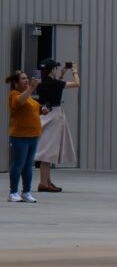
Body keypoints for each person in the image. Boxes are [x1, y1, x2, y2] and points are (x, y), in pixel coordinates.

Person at [34, 59, 76, 193]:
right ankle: (43, 182)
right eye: (55, 68)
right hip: (54, 116)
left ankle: (47, 181)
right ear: (52, 70)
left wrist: (61, 75)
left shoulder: (40, 83)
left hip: (44, 114)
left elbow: (55, 85)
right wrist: (75, 71)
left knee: (47, 149)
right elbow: (77, 83)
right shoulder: (56, 84)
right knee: (48, 152)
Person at [8, 71, 42, 202]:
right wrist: (32, 87)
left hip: (33, 136)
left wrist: (43, 110)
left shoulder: (29, 97)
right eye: (23, 79)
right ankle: (13, 192)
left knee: (28, 166)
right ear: (16, 83)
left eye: (27, 78)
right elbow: (19, 102)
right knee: (18, 164)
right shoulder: (14, 94)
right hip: (20, 136)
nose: (27, 80)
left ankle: (26, 192)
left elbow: (33, 109)